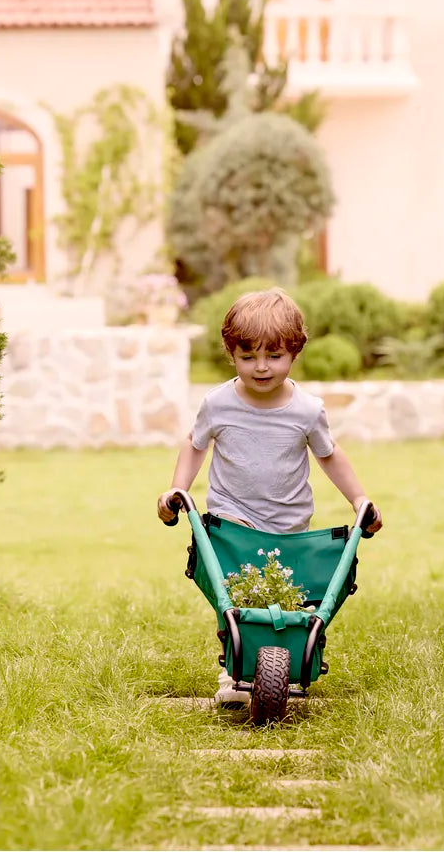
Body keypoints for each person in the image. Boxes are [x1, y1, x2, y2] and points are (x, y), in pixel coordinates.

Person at [156, 287, 382, 706]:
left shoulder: (307, 410)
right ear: (231, 354)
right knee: (236, 598)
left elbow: (329, 456)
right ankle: (233, 671)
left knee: (277, 602)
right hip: (231, 519)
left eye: (273, 356)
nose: (261, 367)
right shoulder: (218, 404)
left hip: (288, 524)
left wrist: (360, 501)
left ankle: (278, 667)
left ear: (295, 353)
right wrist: (177, 490)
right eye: (248, 356)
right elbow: (195, 444)